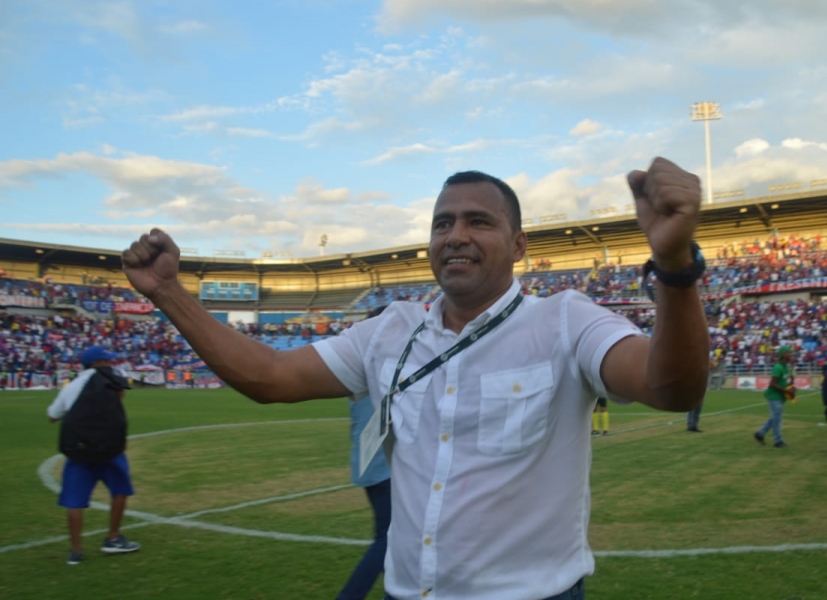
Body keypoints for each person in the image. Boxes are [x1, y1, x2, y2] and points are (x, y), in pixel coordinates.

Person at [120, 157, 710, 600]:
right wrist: (170, 293)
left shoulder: (565, 320)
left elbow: (670, 389)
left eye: (478, 221)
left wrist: (676, 266)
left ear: (519, 244)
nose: (455, 235)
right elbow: (270, 376)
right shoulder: (388, 330)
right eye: (442, 223)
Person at [46, 345, 141, 565]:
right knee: (120, 491)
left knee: (74, 501)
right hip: (110, 449)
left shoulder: (72, 386)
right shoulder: (112, 379)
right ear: (96, 363)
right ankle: (113, 537)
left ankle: (76, 551)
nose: (110, 363)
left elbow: (52, 416)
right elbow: (120, 396)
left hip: (79, 451)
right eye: (106, 360)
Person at [337, 307, 392, 600]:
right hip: (383, 463)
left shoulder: (361, 363)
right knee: (388, 539)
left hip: (368, 459)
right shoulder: (383, 365)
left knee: (392, 536)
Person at [754, 345, 794, 448]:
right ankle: (778, 441)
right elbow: (772, 383)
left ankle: (760, 434)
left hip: (780, 397)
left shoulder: (786, 367)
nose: (791, 354)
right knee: (777, 419)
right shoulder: (778, 367)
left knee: (775, 418)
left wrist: (791, 388)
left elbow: (787, 381)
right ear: (783, 355)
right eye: (788, 353)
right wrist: (786, 390)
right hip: (773, 396)